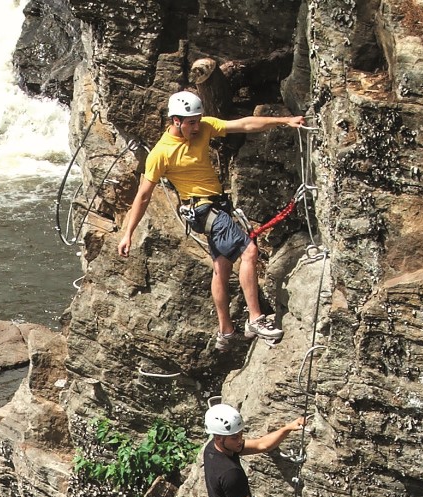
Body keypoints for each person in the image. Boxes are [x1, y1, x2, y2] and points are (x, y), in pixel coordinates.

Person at [117, 91, 305, 350]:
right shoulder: (161, 153)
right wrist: (128, 233)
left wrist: (285, 121)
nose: (196, 127)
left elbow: (244, 124)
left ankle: (225, 330)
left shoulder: (204, 128)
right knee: (249, 251)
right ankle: (255, 319)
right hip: (203, 210)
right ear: (175, 121)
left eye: (198, 120)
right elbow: (143, 196)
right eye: (190, 122)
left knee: (222, 266)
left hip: (217, 206)